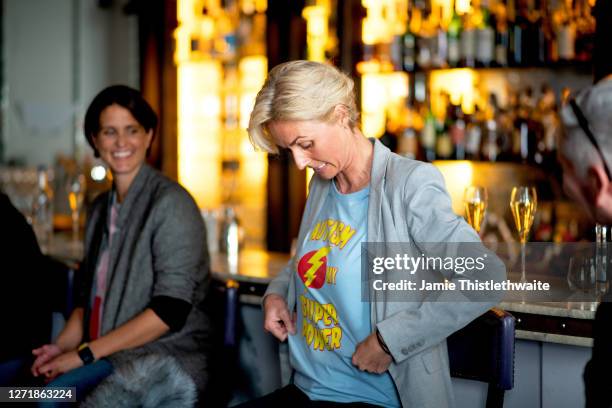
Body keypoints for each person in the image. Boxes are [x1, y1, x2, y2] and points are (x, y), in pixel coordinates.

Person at [239, 60, 505, 408]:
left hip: (370, 400)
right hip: (305, 391)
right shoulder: (323, 183)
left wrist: (388, 342)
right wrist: (275, 295)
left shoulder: (408, 184)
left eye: (306, 144)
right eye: (290, 150)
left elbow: (486, 276)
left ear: (340, 115)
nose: (300, 163)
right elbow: (309, 259)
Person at [30, 85, 211, 403]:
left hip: (158, 361)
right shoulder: (100, 208)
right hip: (105, 356)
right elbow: (87, 302)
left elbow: (170, 310)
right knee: (15, 394)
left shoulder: (172, 203)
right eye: (109, 132)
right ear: (95, 141)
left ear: (149, 136)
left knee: (47, 399)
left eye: (132, 130)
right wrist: (59, 348)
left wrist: (82, 355)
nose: (122, 142)